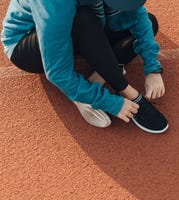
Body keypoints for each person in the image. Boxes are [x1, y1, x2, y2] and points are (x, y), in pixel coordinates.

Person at [1, 0, 169, 134]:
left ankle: (95, 79)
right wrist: (110, 102)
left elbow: (137, 16)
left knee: (150, 22)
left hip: (81, 21)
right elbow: (57, 72)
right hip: (31, 42)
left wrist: (152, 67)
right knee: (83, 19)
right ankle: (125, 93)